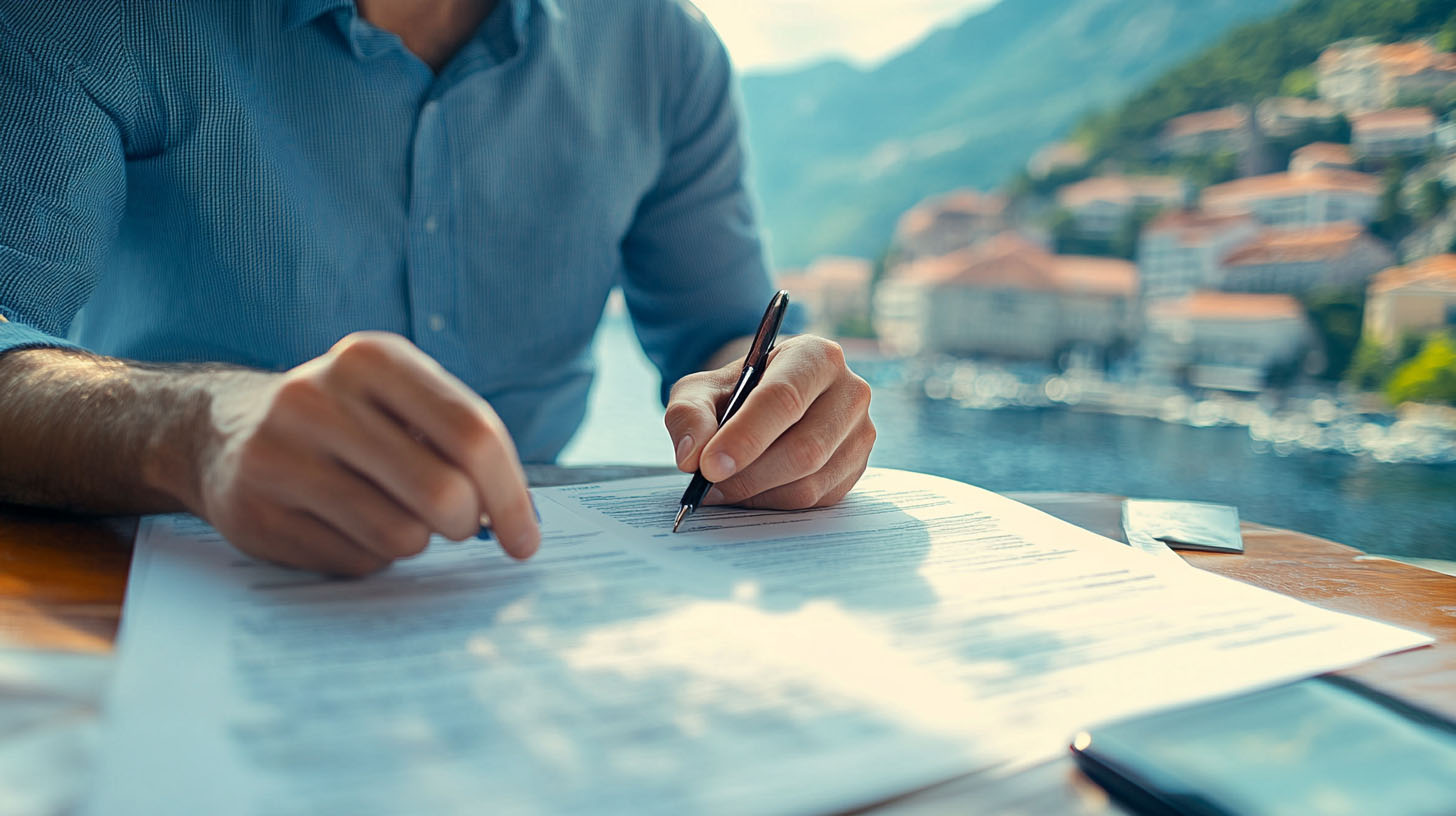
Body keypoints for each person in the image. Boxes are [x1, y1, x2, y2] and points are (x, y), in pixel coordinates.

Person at [0, 0, 875, 575]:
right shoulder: (93, 15)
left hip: (541, 592)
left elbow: (722, 337)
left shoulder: (663, 47)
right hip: (183, 573)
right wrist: (197, 426)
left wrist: (774, 401)